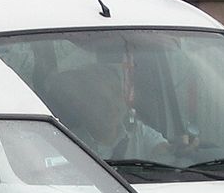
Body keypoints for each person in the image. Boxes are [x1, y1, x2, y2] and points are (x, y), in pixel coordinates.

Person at [42, 63, 172, 162]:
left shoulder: (138, 133)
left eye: (116, 96)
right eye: (100, 99)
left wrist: (182, 151)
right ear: (82, 105)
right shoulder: (68, 143)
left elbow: (166, 154)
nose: (112, 106)